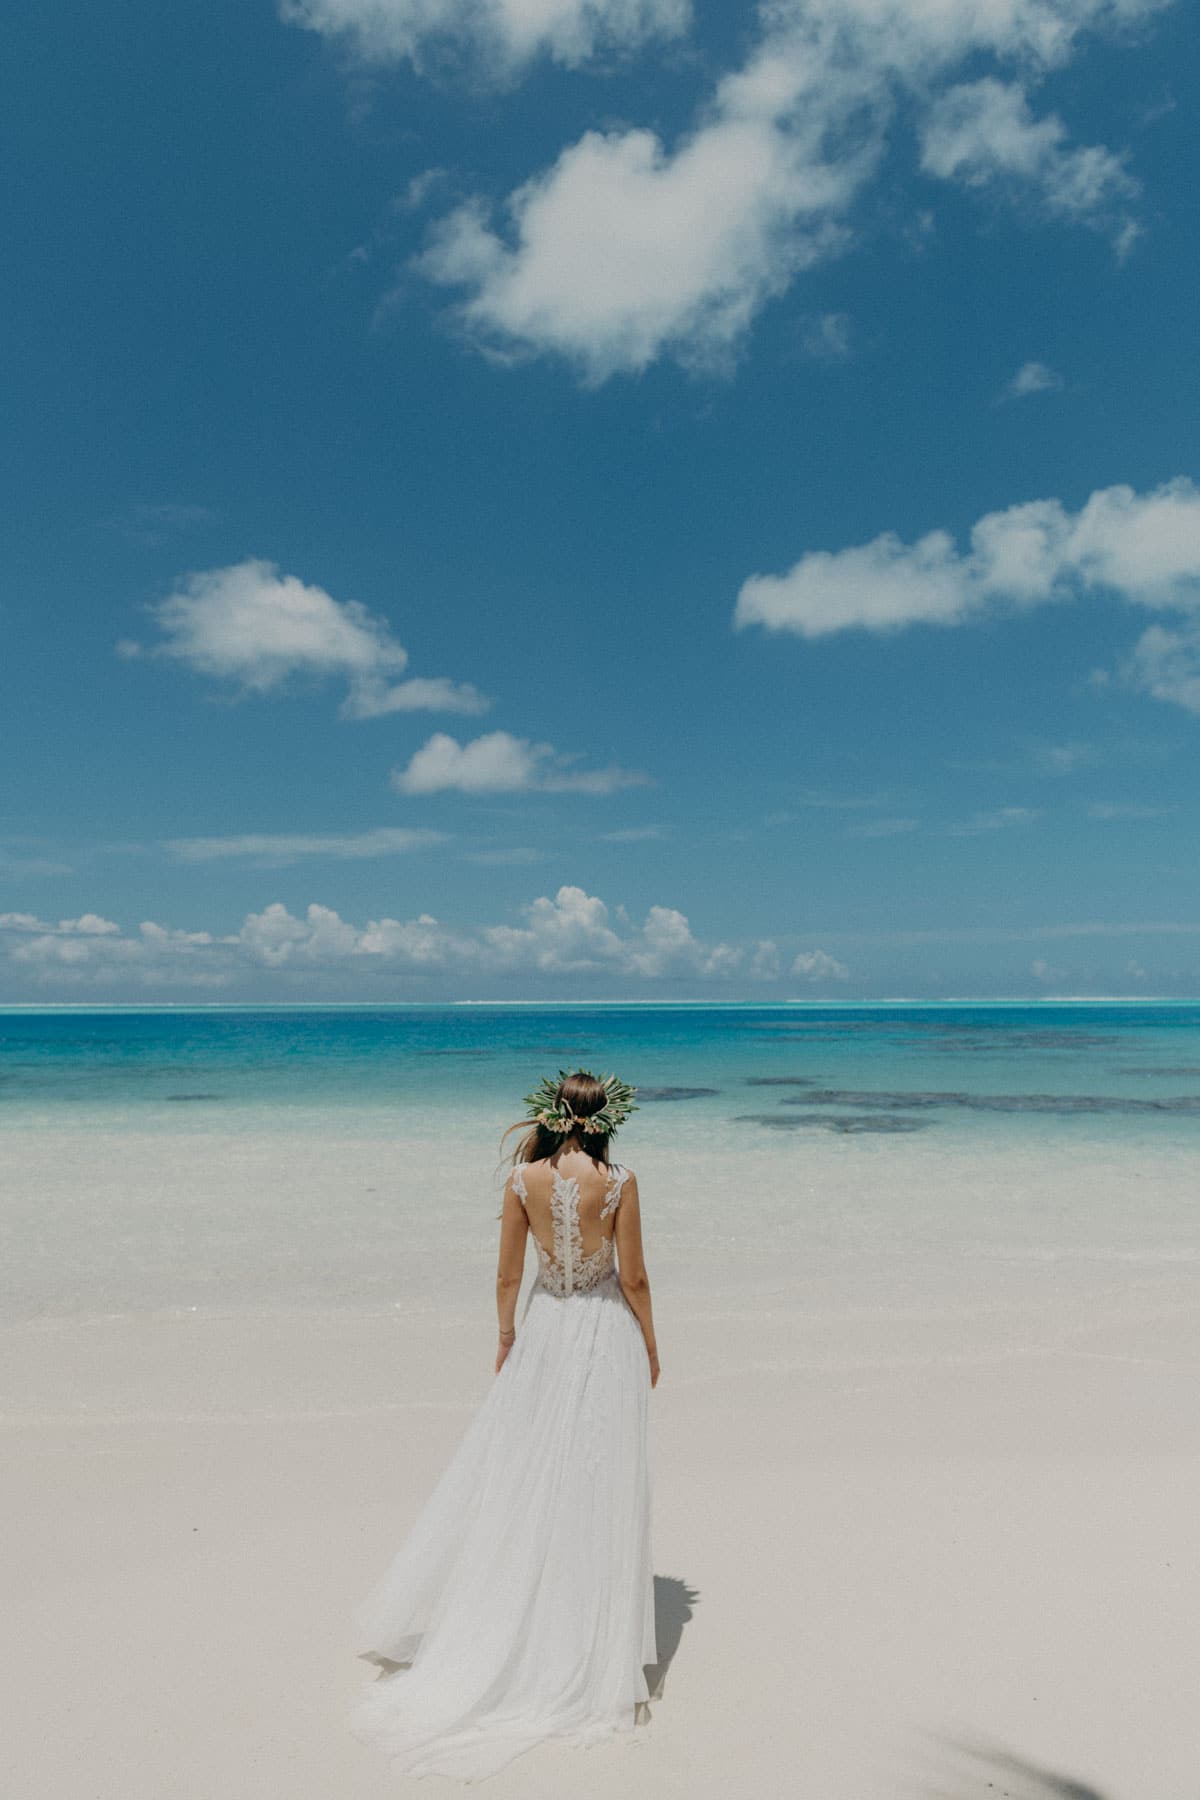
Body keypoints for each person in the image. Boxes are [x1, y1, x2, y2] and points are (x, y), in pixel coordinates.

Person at [351, 1068, 660, 1781]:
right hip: (603, 1332)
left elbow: (505, 1276)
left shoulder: (523, 1182)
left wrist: (504, 1336)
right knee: (596, 1483)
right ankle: (583, 1638)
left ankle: (528, 1622)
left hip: (548, 1328)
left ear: (551, 1115)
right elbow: (636, 1277)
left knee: (530, 1482)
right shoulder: (621, 1182)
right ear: (607, 1117)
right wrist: (649, 1342)